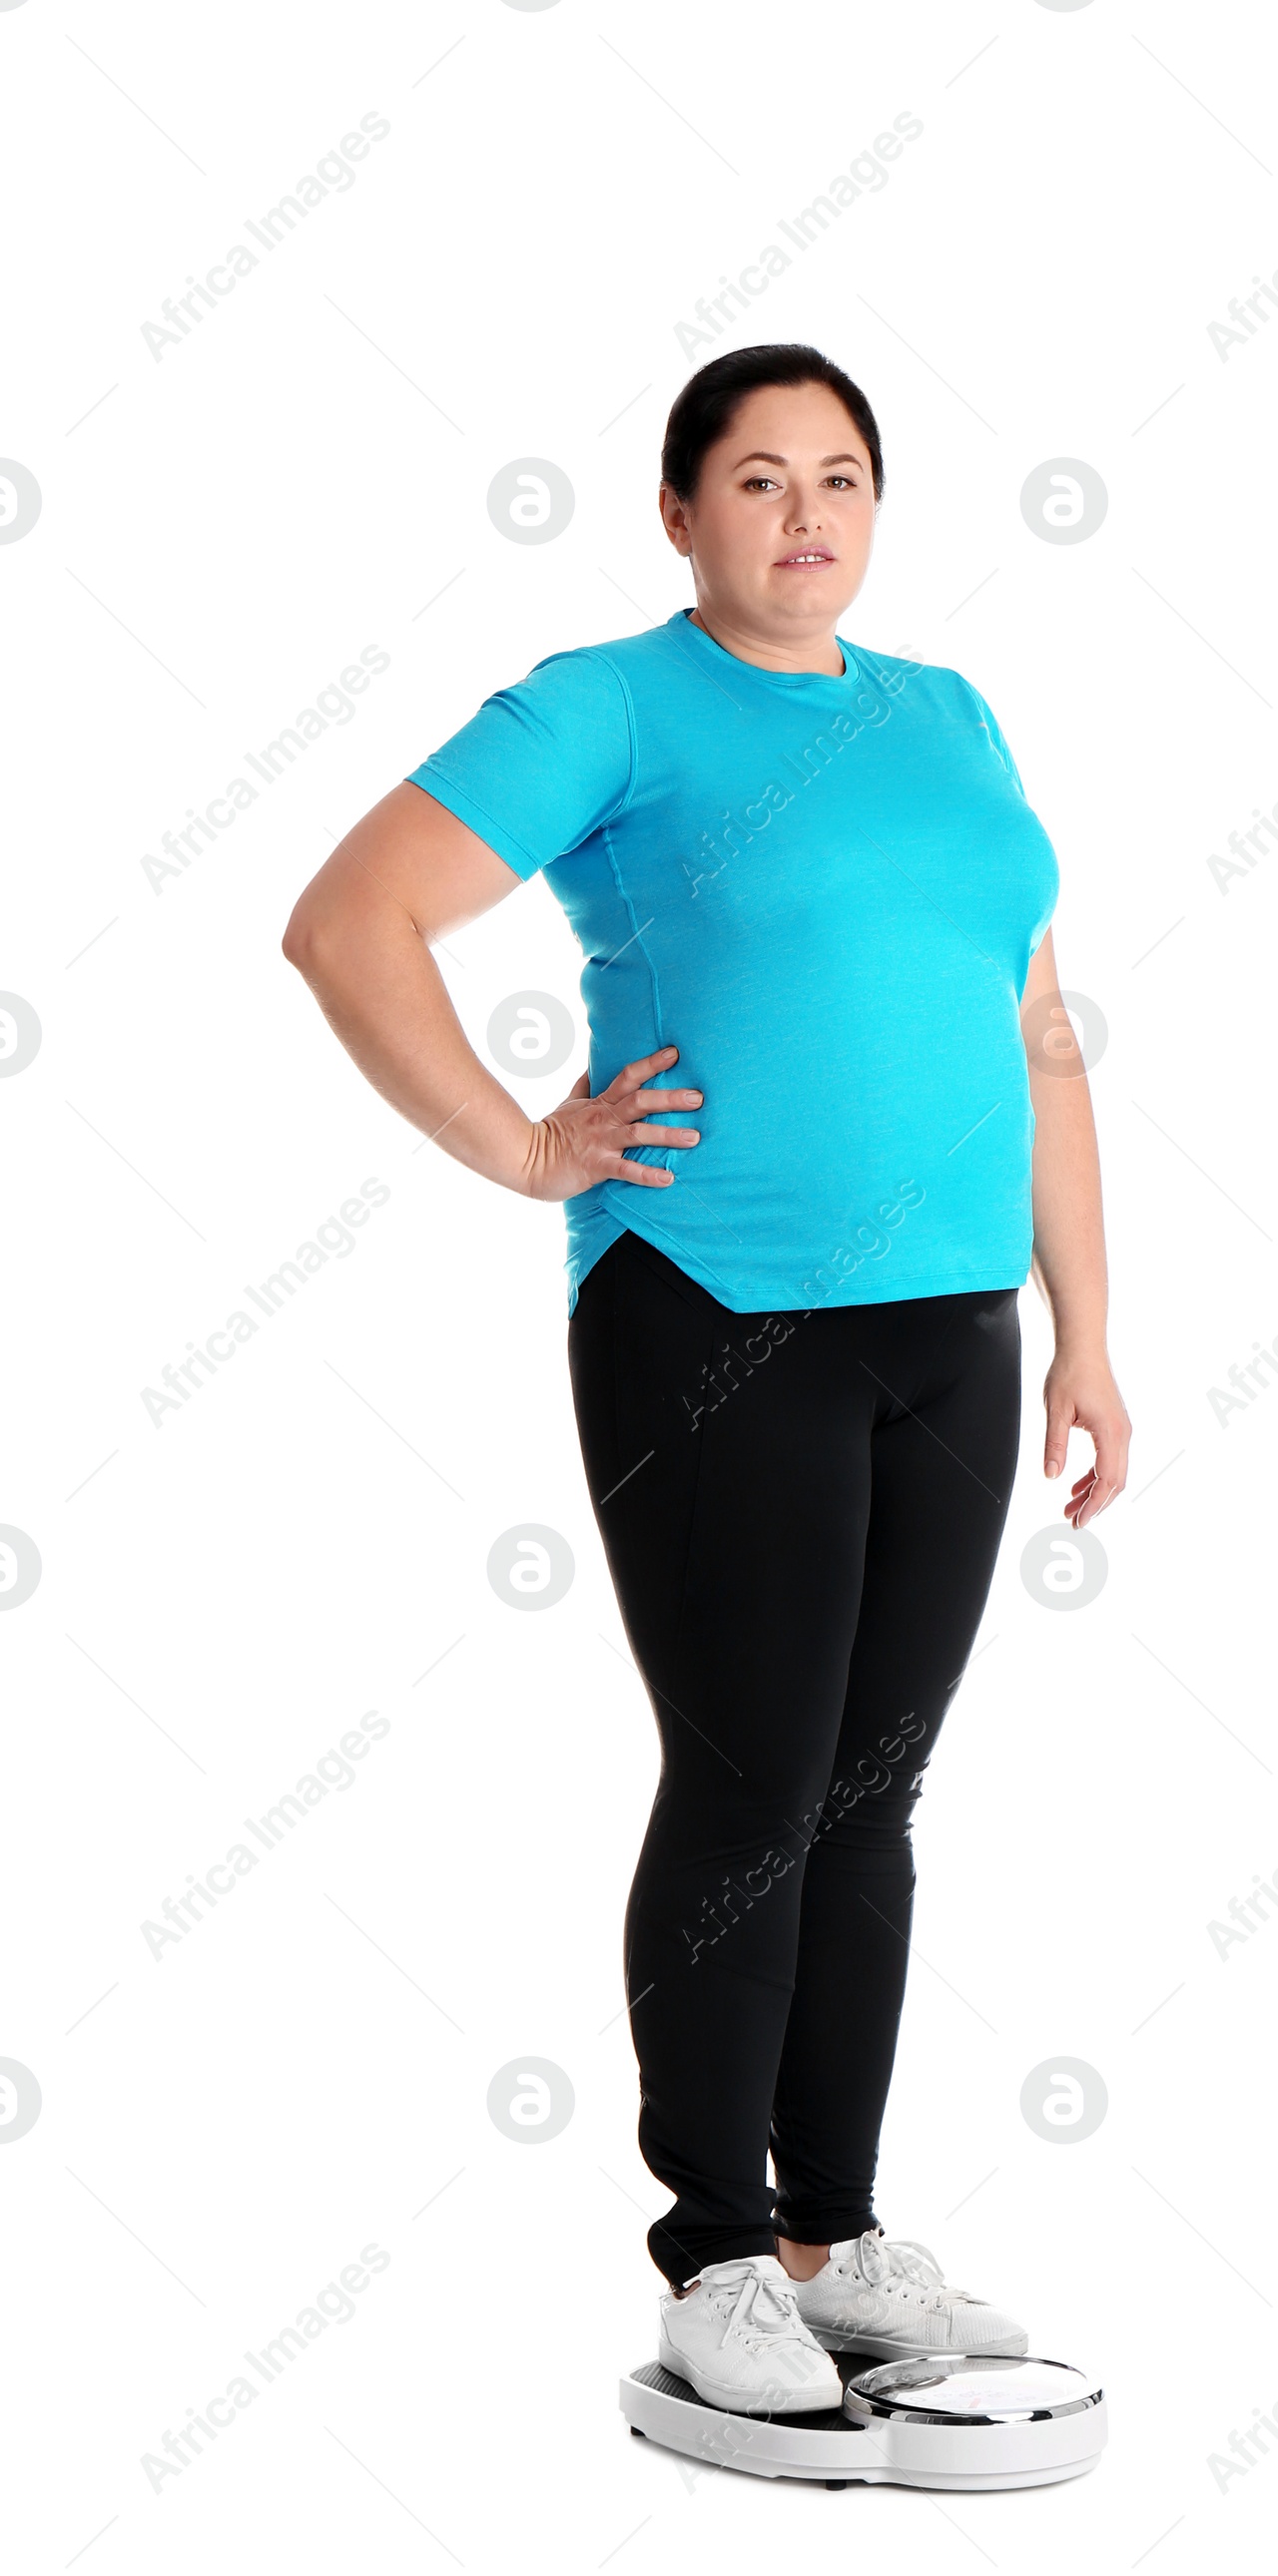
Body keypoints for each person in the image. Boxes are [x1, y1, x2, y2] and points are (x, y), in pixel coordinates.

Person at [282, 341, 1130, 2420]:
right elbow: (347, 919)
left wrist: (1087, 1326)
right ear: (678, 511)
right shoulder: (611, 704)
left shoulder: (949, 717)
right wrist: (519, 1142)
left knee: (870, 1794)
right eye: (756, 478)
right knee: (751, 1785)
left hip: (949, 1324)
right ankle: (711, 2256)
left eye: (840, 476)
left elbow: (1031, 1031)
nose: (805, 514)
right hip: (710, 1308)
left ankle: (833, 2233)